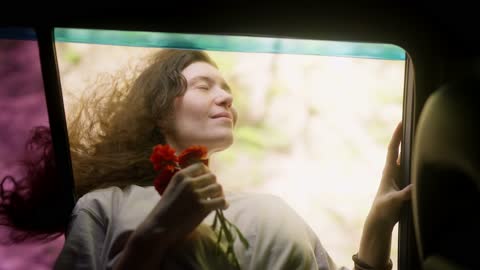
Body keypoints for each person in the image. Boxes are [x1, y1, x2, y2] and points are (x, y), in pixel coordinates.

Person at [2, 49, 412, 270]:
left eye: (227, 88)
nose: (227, 96)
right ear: (160, 111)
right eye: (204, 85)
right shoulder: (105, 207)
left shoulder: (275, 210)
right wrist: (156, 234)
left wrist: (377, 228)